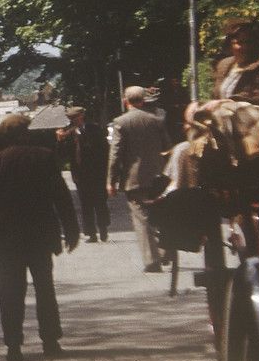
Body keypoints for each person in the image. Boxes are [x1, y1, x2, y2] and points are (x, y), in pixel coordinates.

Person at [0, 113, 80, 361]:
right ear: (26, 133)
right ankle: (51, 341)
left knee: (9, 292)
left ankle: (13, 346)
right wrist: (71, 229)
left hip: (5, 239)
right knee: (45, 288)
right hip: (39, 236)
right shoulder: (44, 157)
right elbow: (61, 197)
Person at [108, 84, 173, 273]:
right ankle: (165, 248)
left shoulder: (121, 122)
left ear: (125, 101)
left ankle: (152, 260)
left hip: (134, 178)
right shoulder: (156, 120)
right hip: (158, 176)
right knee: (160, 213)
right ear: (143, 101)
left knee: (141, 217)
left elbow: (115, 154)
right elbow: (168, 147)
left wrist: (110, 181)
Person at [58, 106, 110, 242]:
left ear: (82, 116)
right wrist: (60, 141)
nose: (73, 121)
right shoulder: (67, 133)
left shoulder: (94, 128)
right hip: (79, 174)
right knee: (85, 204)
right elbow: (62, 154)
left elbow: (104, 149)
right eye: (71, 119)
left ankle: (103, 229)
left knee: (100, 202)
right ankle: (91, 233)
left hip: (97, 171)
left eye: (75, 118)